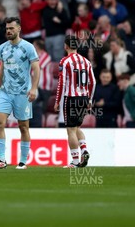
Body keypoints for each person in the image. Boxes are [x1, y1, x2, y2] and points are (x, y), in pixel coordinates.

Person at [0, 17, 39, 170]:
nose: (9, 31)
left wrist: (34, 88)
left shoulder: (28, 47)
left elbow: (36, 68)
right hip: (5, 92)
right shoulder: (3, 47)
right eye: (7, 29)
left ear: (19, 29)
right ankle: (1, 160)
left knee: (23, 127)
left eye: (11, 28)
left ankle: (23, 161)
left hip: (23, 93)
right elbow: (1, 68)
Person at [54, 34, 96, 168]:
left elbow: (62, 83)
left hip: (71, 98)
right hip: (84, 98)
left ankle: (75, 161)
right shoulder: (86, 61)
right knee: (77, 127)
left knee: (71, 130)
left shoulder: (65, 61)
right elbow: (93, 82)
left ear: (66, 46)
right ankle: (84, 150)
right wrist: (89, 99)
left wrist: (57, 101)